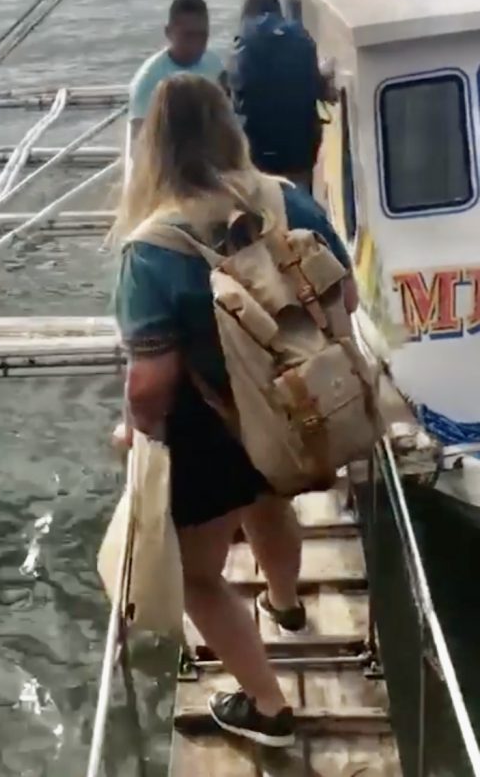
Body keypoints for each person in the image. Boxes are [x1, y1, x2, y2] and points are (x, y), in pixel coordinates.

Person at [111, 74, 357, 747]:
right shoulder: (290, 201)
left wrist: (130, 432)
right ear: (229, 127)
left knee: (197, 575)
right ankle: (286, 603)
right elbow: (350, 304)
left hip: (209, 428)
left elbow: (150, 386)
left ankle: (269, 706)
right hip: (290, 404)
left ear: (153, 146)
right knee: (269, 499)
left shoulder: (153, 247)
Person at [227, 0, 336, 191]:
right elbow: (317, 87)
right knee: (300, 200)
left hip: (258, 154)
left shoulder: (242, 41)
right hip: (299, 152)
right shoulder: (298, 37)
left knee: (266, 208)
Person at [128, 0, 225, 149]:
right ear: (168, 32)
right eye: (188, 36)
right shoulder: (148, 81)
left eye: (202, 35)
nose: (197, 44)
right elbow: (142, 143)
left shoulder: (214, 65)